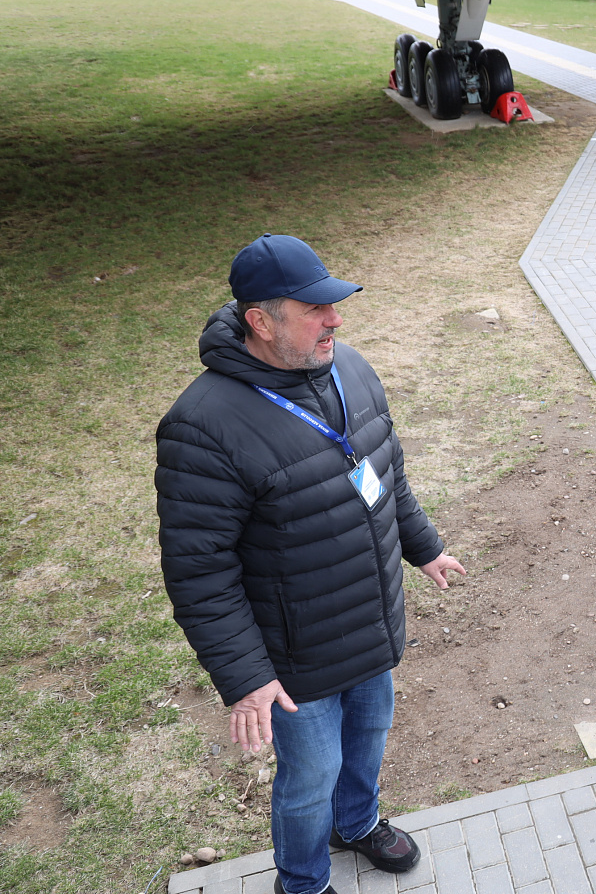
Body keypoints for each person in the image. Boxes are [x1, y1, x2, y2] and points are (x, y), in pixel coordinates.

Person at [156, 235, 466, 894]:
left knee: (370, 737)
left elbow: (385, 469)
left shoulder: (348, 366)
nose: (336, 320)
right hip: (296, 656)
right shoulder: (202, 426)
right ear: (261, 322)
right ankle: (301, 881)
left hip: (369, 620)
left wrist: (424, 546)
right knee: (310, 777)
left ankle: (356, 824)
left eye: (334, 305)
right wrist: (247, 678)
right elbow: (199, 573)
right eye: (315, 310)